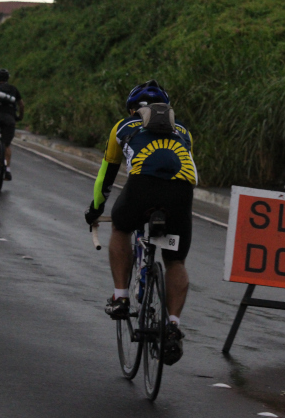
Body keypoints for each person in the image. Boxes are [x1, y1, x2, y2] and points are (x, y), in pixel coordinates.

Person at [84, 80, 197, 366]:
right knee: (175, 260)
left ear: (132, 109)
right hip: (180, 192)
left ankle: (121, 298)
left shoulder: (123, 127)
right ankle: (172, 325)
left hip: (142, 187)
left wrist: (96, 209)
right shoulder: (183, 130)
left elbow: (106, 176)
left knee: (121, 228)